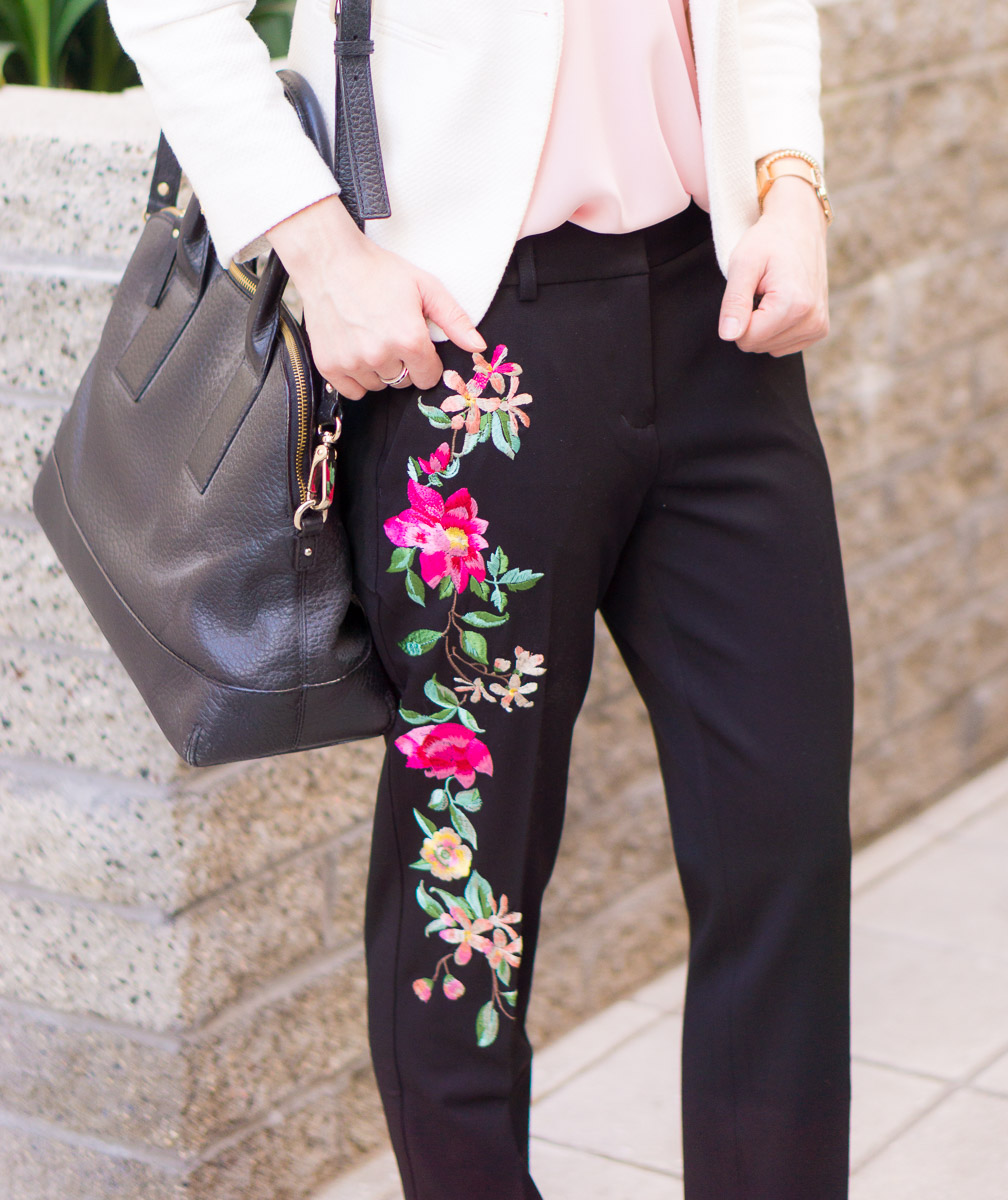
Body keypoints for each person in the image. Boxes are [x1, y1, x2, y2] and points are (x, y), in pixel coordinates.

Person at [105, 2, 854, 1198]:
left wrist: (794, 181)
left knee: (786, 842)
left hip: (722, 321)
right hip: (472, 341)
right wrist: (324, 254)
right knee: (467, 887)